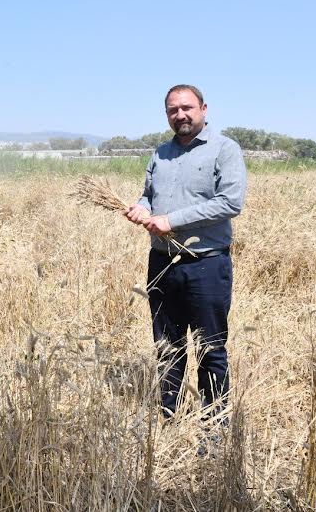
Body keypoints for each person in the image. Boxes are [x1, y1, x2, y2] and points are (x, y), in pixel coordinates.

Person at [124, 84, 247, 420]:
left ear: (203, 109)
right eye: (172, 110)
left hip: (206, 264)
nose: (180, 115)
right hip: (163, 263)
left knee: (211, 350)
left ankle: (213, 426)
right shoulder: (160, 154)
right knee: (167, 347)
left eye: (186, 108)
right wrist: (140, 207)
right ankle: (169, 418)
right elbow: (148, 194)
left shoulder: (225, 150)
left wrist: (171, 220)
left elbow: (230, 202)